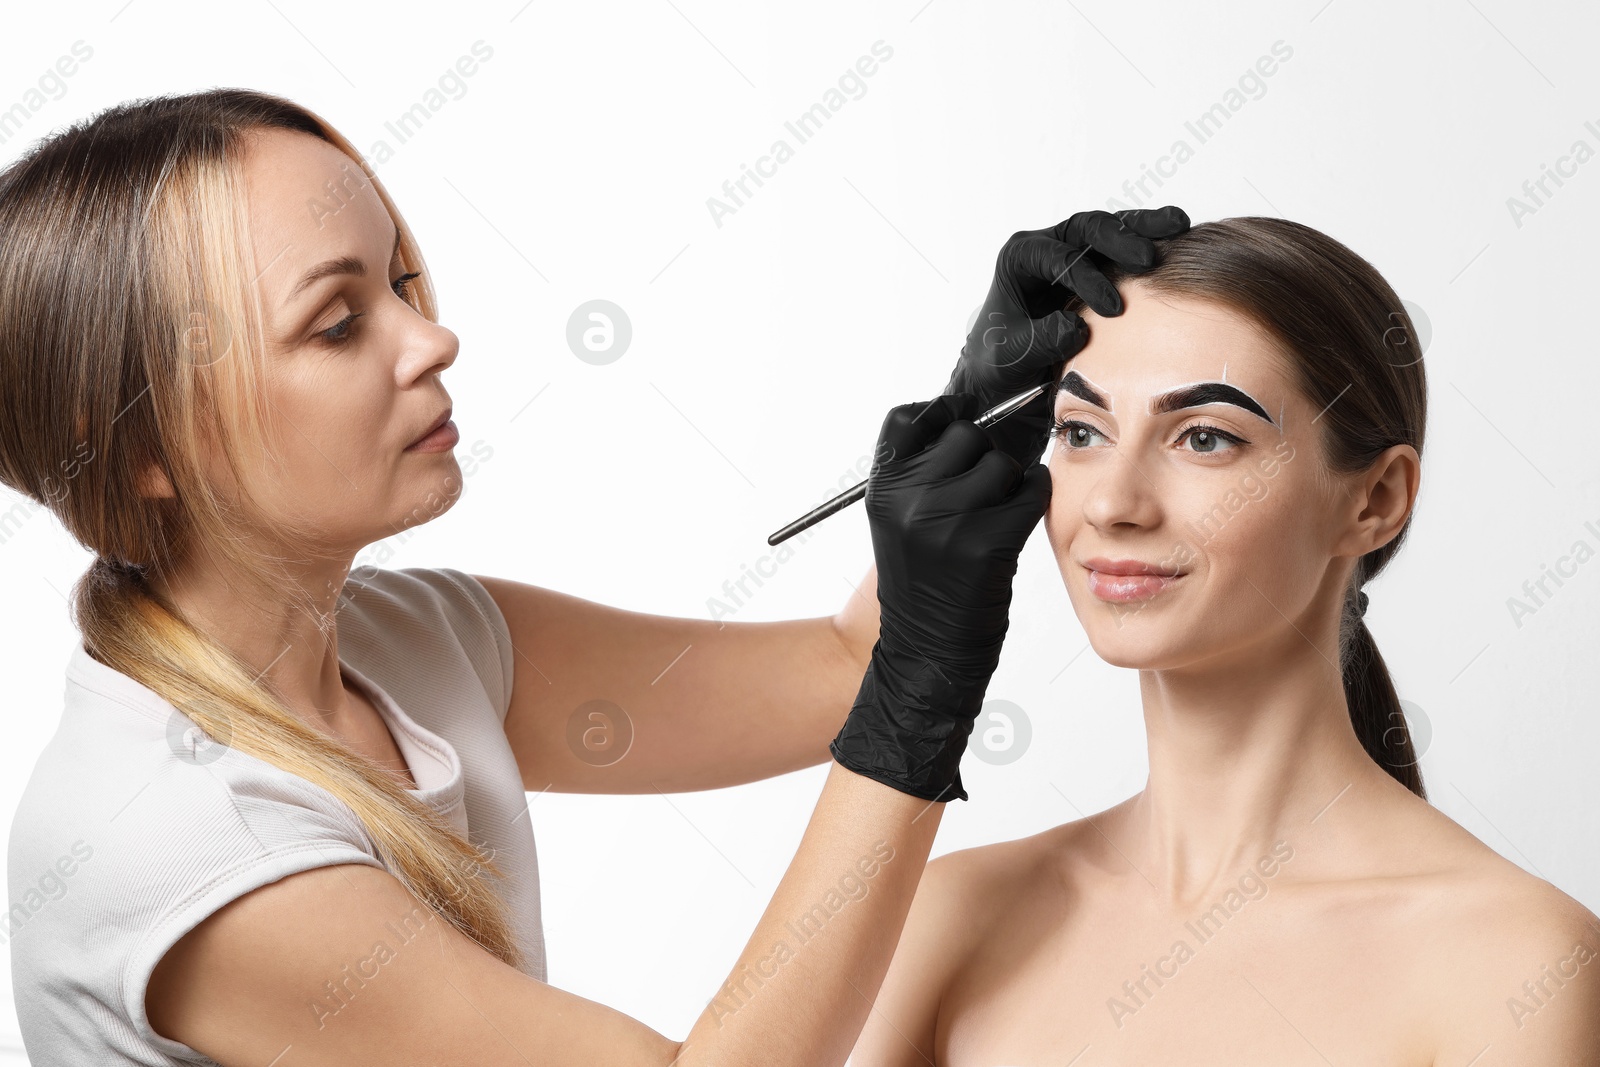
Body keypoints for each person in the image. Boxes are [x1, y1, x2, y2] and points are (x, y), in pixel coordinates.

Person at [0, 87, 1171, 1065]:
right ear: (143, 446)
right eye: (336, 324)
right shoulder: (185, 846)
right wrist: (924, 697)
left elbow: (835, 671)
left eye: (399, 282)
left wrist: (982, 414)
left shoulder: (416, 640)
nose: (431, 338)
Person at [849, 217, 1600, 1064]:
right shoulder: (947, 915)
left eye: (1204, 437)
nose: (1112, 503)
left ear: (1376, 499)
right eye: (1081, 432)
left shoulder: (1514, 962)